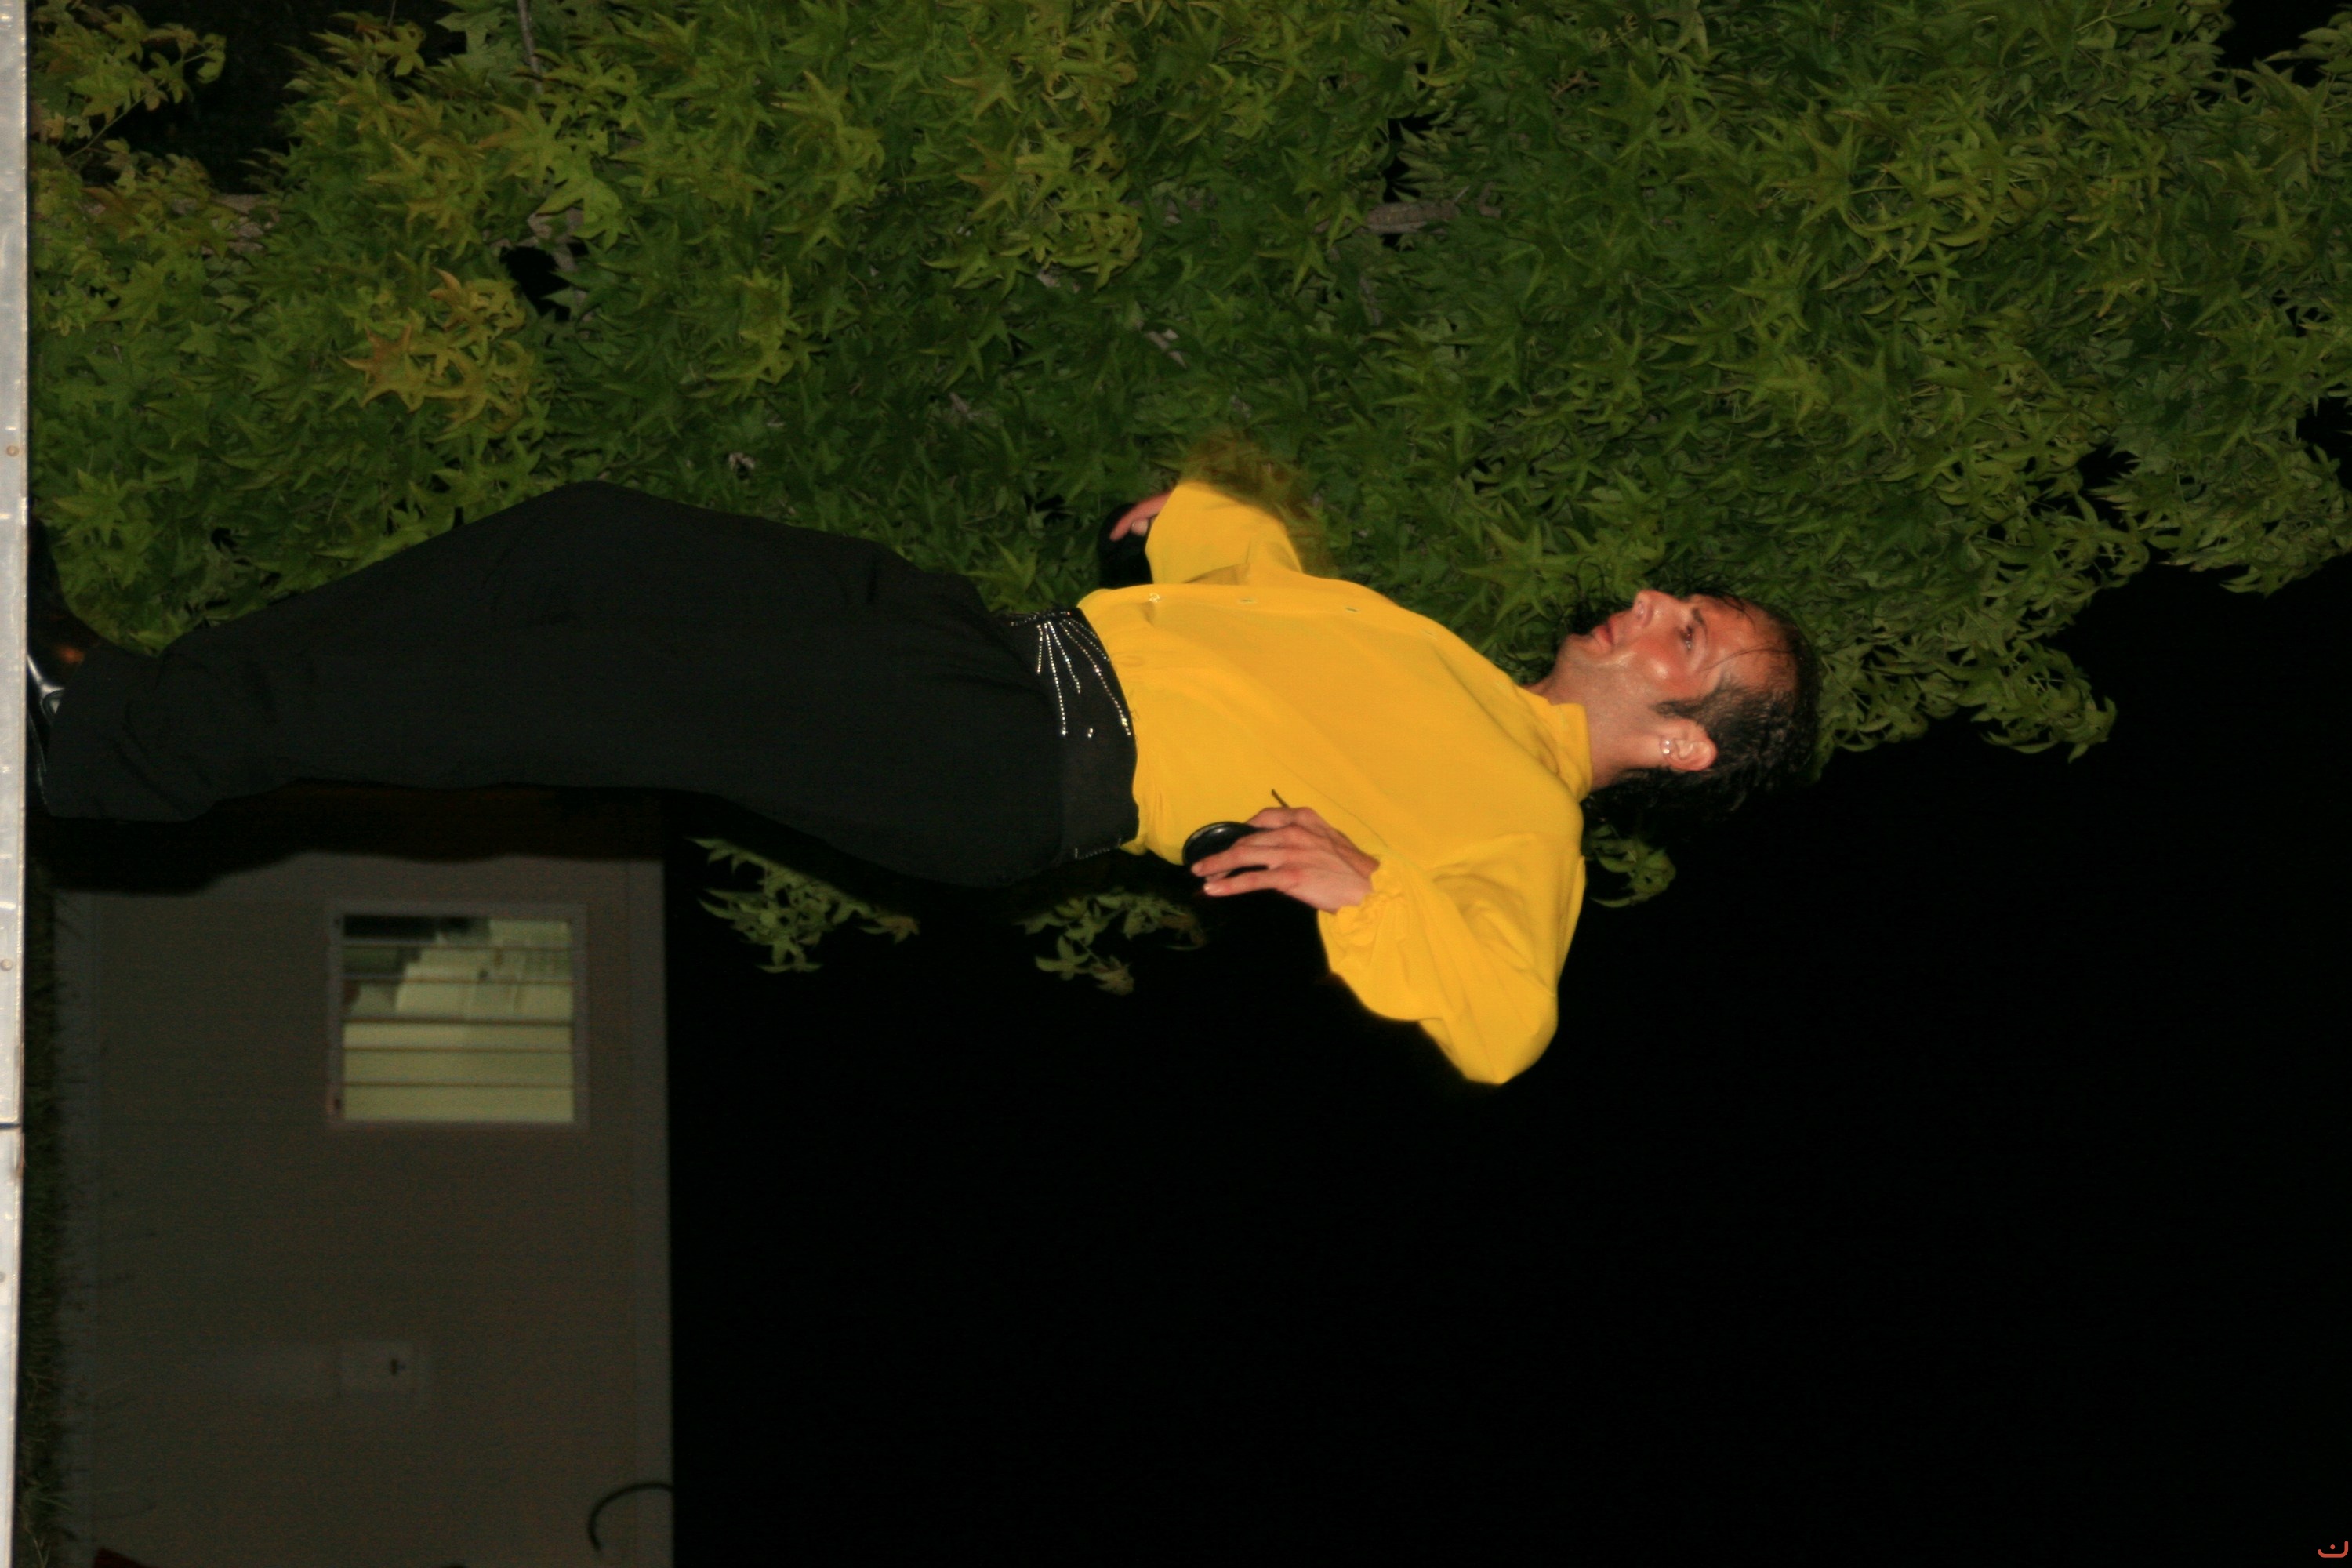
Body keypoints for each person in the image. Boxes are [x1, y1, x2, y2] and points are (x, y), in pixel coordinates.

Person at [27, 477, 1819, 1083]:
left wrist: (1372, 892)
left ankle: (112, 752)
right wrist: (1198, 515)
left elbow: (1506, 1023)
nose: (1658, 612)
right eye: (1682, 600)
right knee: (582, 545)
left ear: (1680, 740)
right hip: (991, 655)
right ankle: (134, 695)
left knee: (583, 689)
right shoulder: (1449, 674)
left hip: (1013, 761)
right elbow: (1259, 613)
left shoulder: (1526, 827)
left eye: (1695, 647)